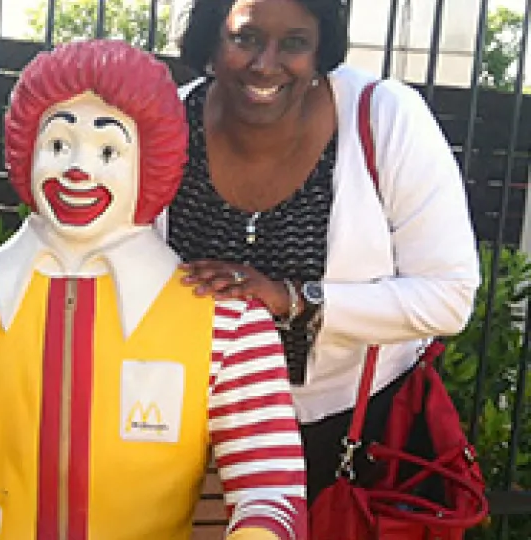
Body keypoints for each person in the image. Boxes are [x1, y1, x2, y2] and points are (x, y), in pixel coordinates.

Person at [0, 40, 306, 540]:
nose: (78, 169)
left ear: (152, 162)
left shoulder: (229, 329)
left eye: (108, 151)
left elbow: (272, 495)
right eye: (58, 145)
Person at [163, 0, 481, 504]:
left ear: (319, 50)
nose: (265, 64)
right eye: (245, 38)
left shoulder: (383, 117)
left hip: (348, 435)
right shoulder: (168, 124)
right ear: (211, 37)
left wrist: (293, 299)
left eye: (294, 43)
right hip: (184, 430)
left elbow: (449, 297)